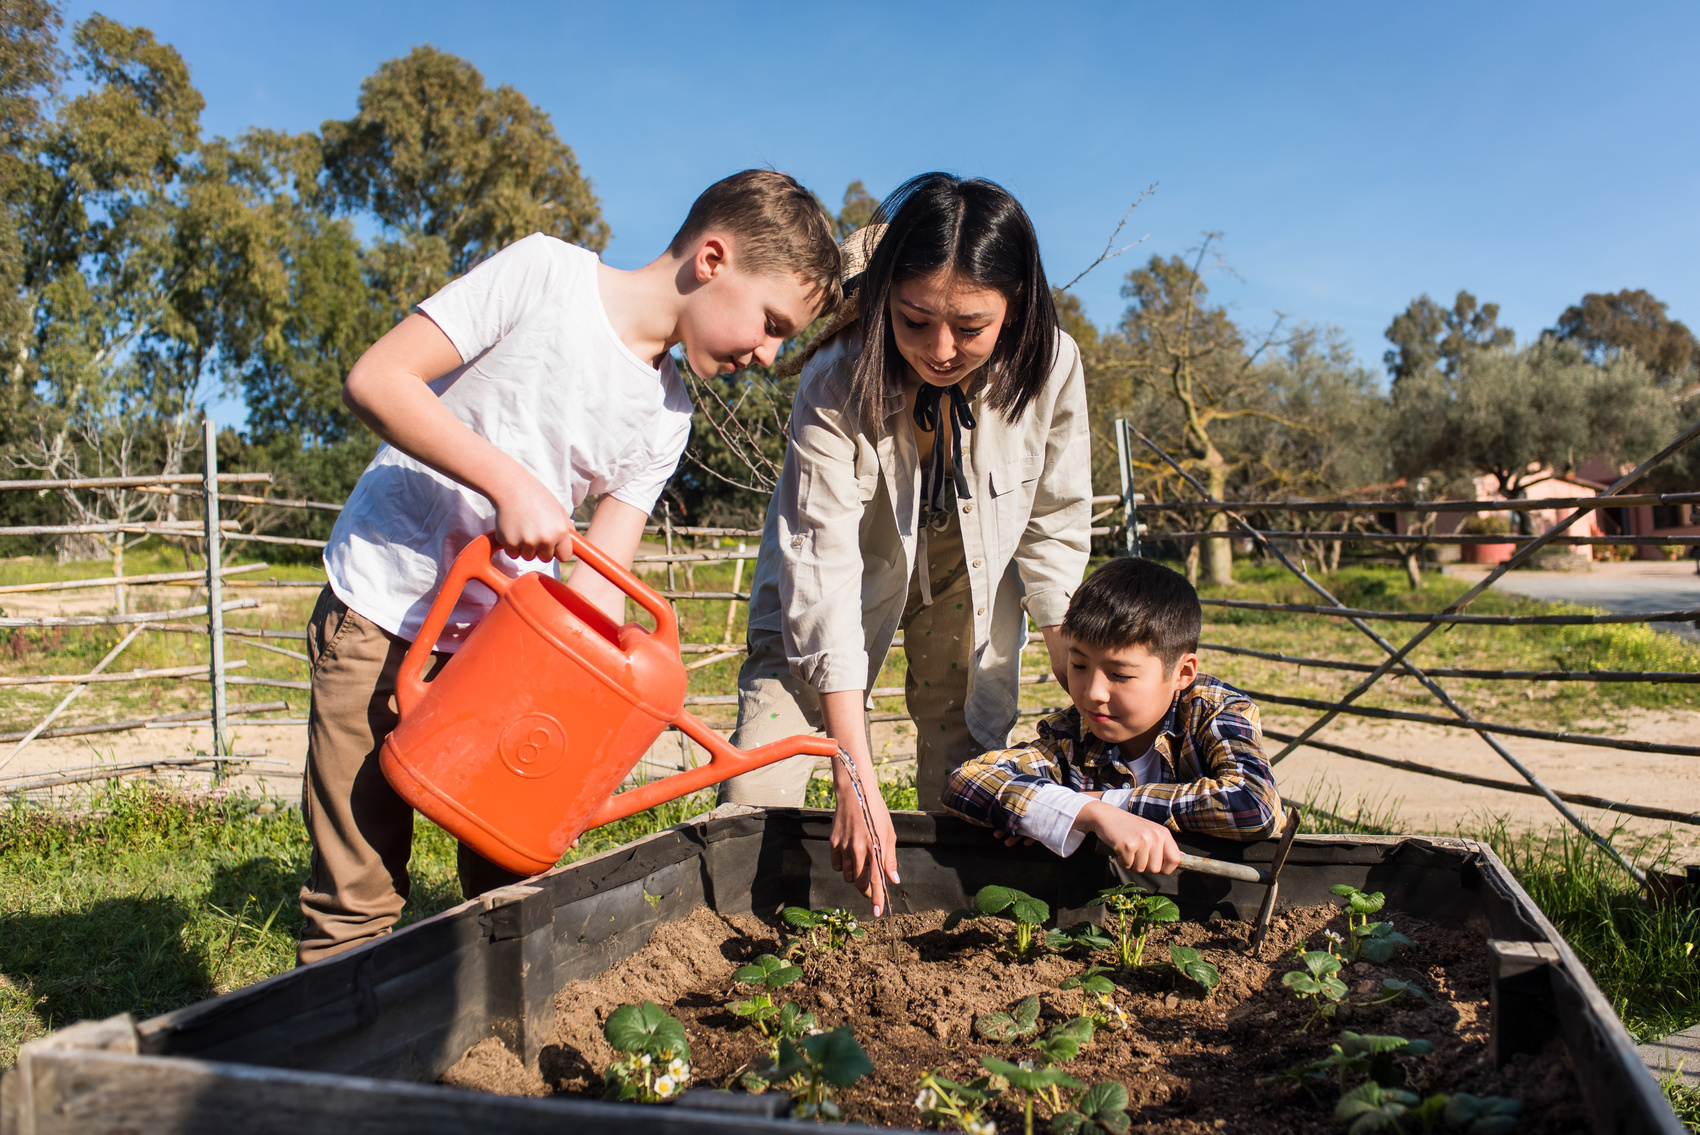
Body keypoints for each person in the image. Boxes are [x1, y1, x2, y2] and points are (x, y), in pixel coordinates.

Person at [297, 170, 842, 964]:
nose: (769, 353)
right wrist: (506, 479)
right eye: (770, 323)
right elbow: (378, 378)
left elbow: (596, 584)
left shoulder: (667, 416)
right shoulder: (543, 275)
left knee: (510, 872)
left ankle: (479, 1056)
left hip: (498, 661)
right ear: (712, 259)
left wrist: (609, 693)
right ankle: (327, 1063)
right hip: (382, 611)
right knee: (360, 885)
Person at [720, 173, 1093, 915]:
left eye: (971, 326)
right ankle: (740, 914)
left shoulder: (1051, 364)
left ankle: (944, 914)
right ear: (886, 294)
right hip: (839, 571)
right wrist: (853, 772)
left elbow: (1054, 509)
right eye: (914, 320)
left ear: (1016, 307)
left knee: (963, 745)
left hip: (968, 565)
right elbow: (821, 566)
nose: (941, 349)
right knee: (770, 754)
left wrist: (1063, 636)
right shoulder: (835, 377)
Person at [942, 556, 1281, 873]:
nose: (1092, 693)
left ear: (1182, 673)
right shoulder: (1073, 735)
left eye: (1119, 675)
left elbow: (1253, 803)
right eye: (1078, 665)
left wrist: (1109, 802)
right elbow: (967, 781)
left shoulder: (1211, 711)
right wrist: (1085, 813)